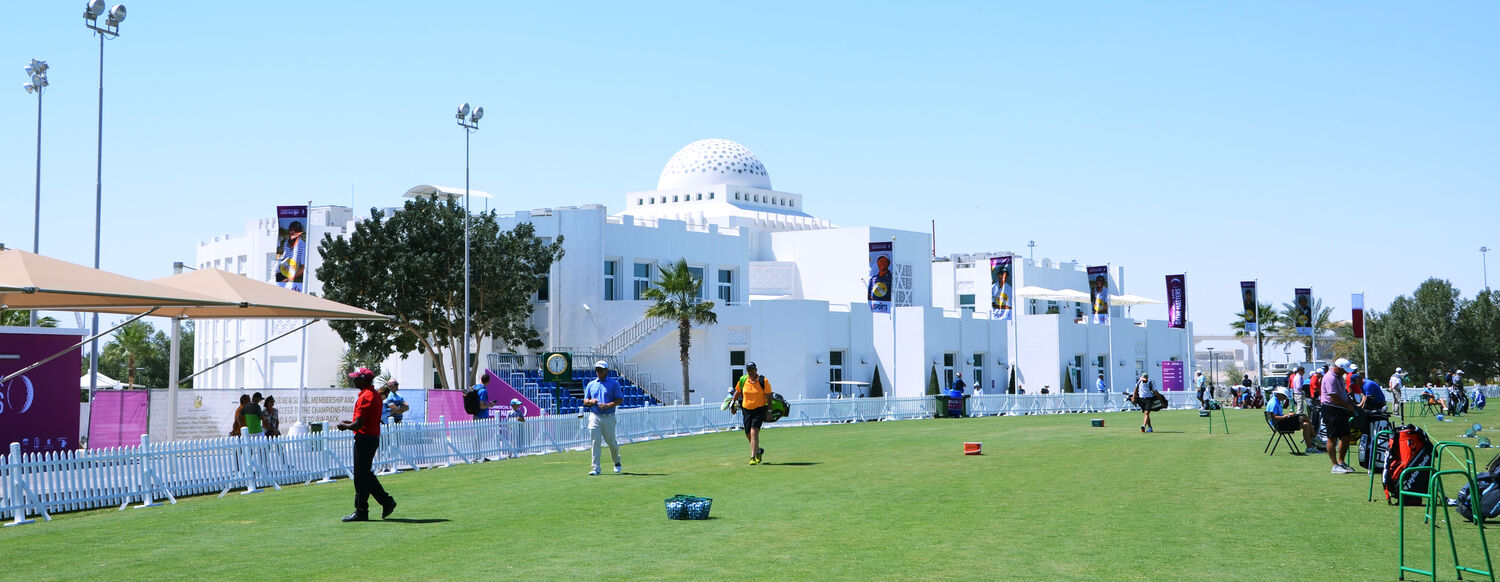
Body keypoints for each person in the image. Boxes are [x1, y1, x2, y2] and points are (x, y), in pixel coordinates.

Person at [336, 368, 396, 522]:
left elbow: (358, 425)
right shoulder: (374, 395)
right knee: (365, 474)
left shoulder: (366, 397)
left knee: (360, 476)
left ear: (364, 380)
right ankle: (384, 502)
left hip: (365, 438)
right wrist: (351, 424)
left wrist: (344, 425)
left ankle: (363, 510)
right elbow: (363, 421)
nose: (354, 380)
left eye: (357, 378)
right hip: (371, 437)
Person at [582, 361, 623, 475]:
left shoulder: (614, 384)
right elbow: (585, 401)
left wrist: (608, 405)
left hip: (608, 416)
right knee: (595, 441)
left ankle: (617, 461)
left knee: (611, 442)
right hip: (594, 415)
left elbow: (619, 399)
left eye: (600, 370)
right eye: (597, 370)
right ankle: (596, 467)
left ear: (606, 371)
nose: (598, 372)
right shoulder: (591, 384)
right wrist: (591, 401)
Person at [1321, 360, 1358, 474]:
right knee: (1332, 437)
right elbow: (1333, 397)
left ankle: (1341, 462)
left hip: (1341, 409)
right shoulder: (1330, 378)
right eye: (1344, 370)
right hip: (1331, 409)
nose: (1345, 372)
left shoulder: (1339, 376)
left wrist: (1349, 402)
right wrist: (1347, 405)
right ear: (1338, 367)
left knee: (1346, 436)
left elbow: (1342, 393)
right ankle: (1334, 465)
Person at [733, 361, 773, 464]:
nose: (750, 372)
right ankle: (758, 450)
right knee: (747, 433)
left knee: (754, 431)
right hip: (746, 410)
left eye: (752, 369)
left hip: (759, 410)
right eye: (748, 370)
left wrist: (769, 410)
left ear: (756, 370)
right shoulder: (743, 380)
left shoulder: (763, 380)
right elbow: (737, 392)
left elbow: (769, 396)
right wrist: (732, 404)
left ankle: (752, 457)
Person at [1268, 387, 1320, 454]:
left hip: (1281, 423)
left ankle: (1309, 448)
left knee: (1305, 425)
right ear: (1280, 394)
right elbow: (1275, 417)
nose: (1285, 398)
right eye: (1284, 396)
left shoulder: (1275, 401)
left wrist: (1287, 415)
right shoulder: (1274, 403)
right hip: (1280, 425)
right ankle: (1314, 437)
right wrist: (1288, 416)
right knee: (1304, 416)